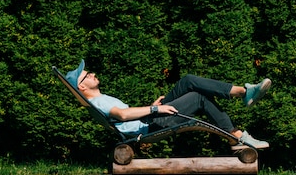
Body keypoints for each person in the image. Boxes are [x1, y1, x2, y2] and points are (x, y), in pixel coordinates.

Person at [65, 59, 272, 149]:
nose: (92, 74)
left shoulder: (100, 99)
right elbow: (122, 115)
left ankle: (244, 92)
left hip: (150, 118)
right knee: (199, 97)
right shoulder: (99, 102)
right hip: (152, 124)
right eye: (87, 75)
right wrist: (156, 108)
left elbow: (126, 116)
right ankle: (237, 136)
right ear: (82, 88)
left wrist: (151, 106)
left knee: (189, 80)